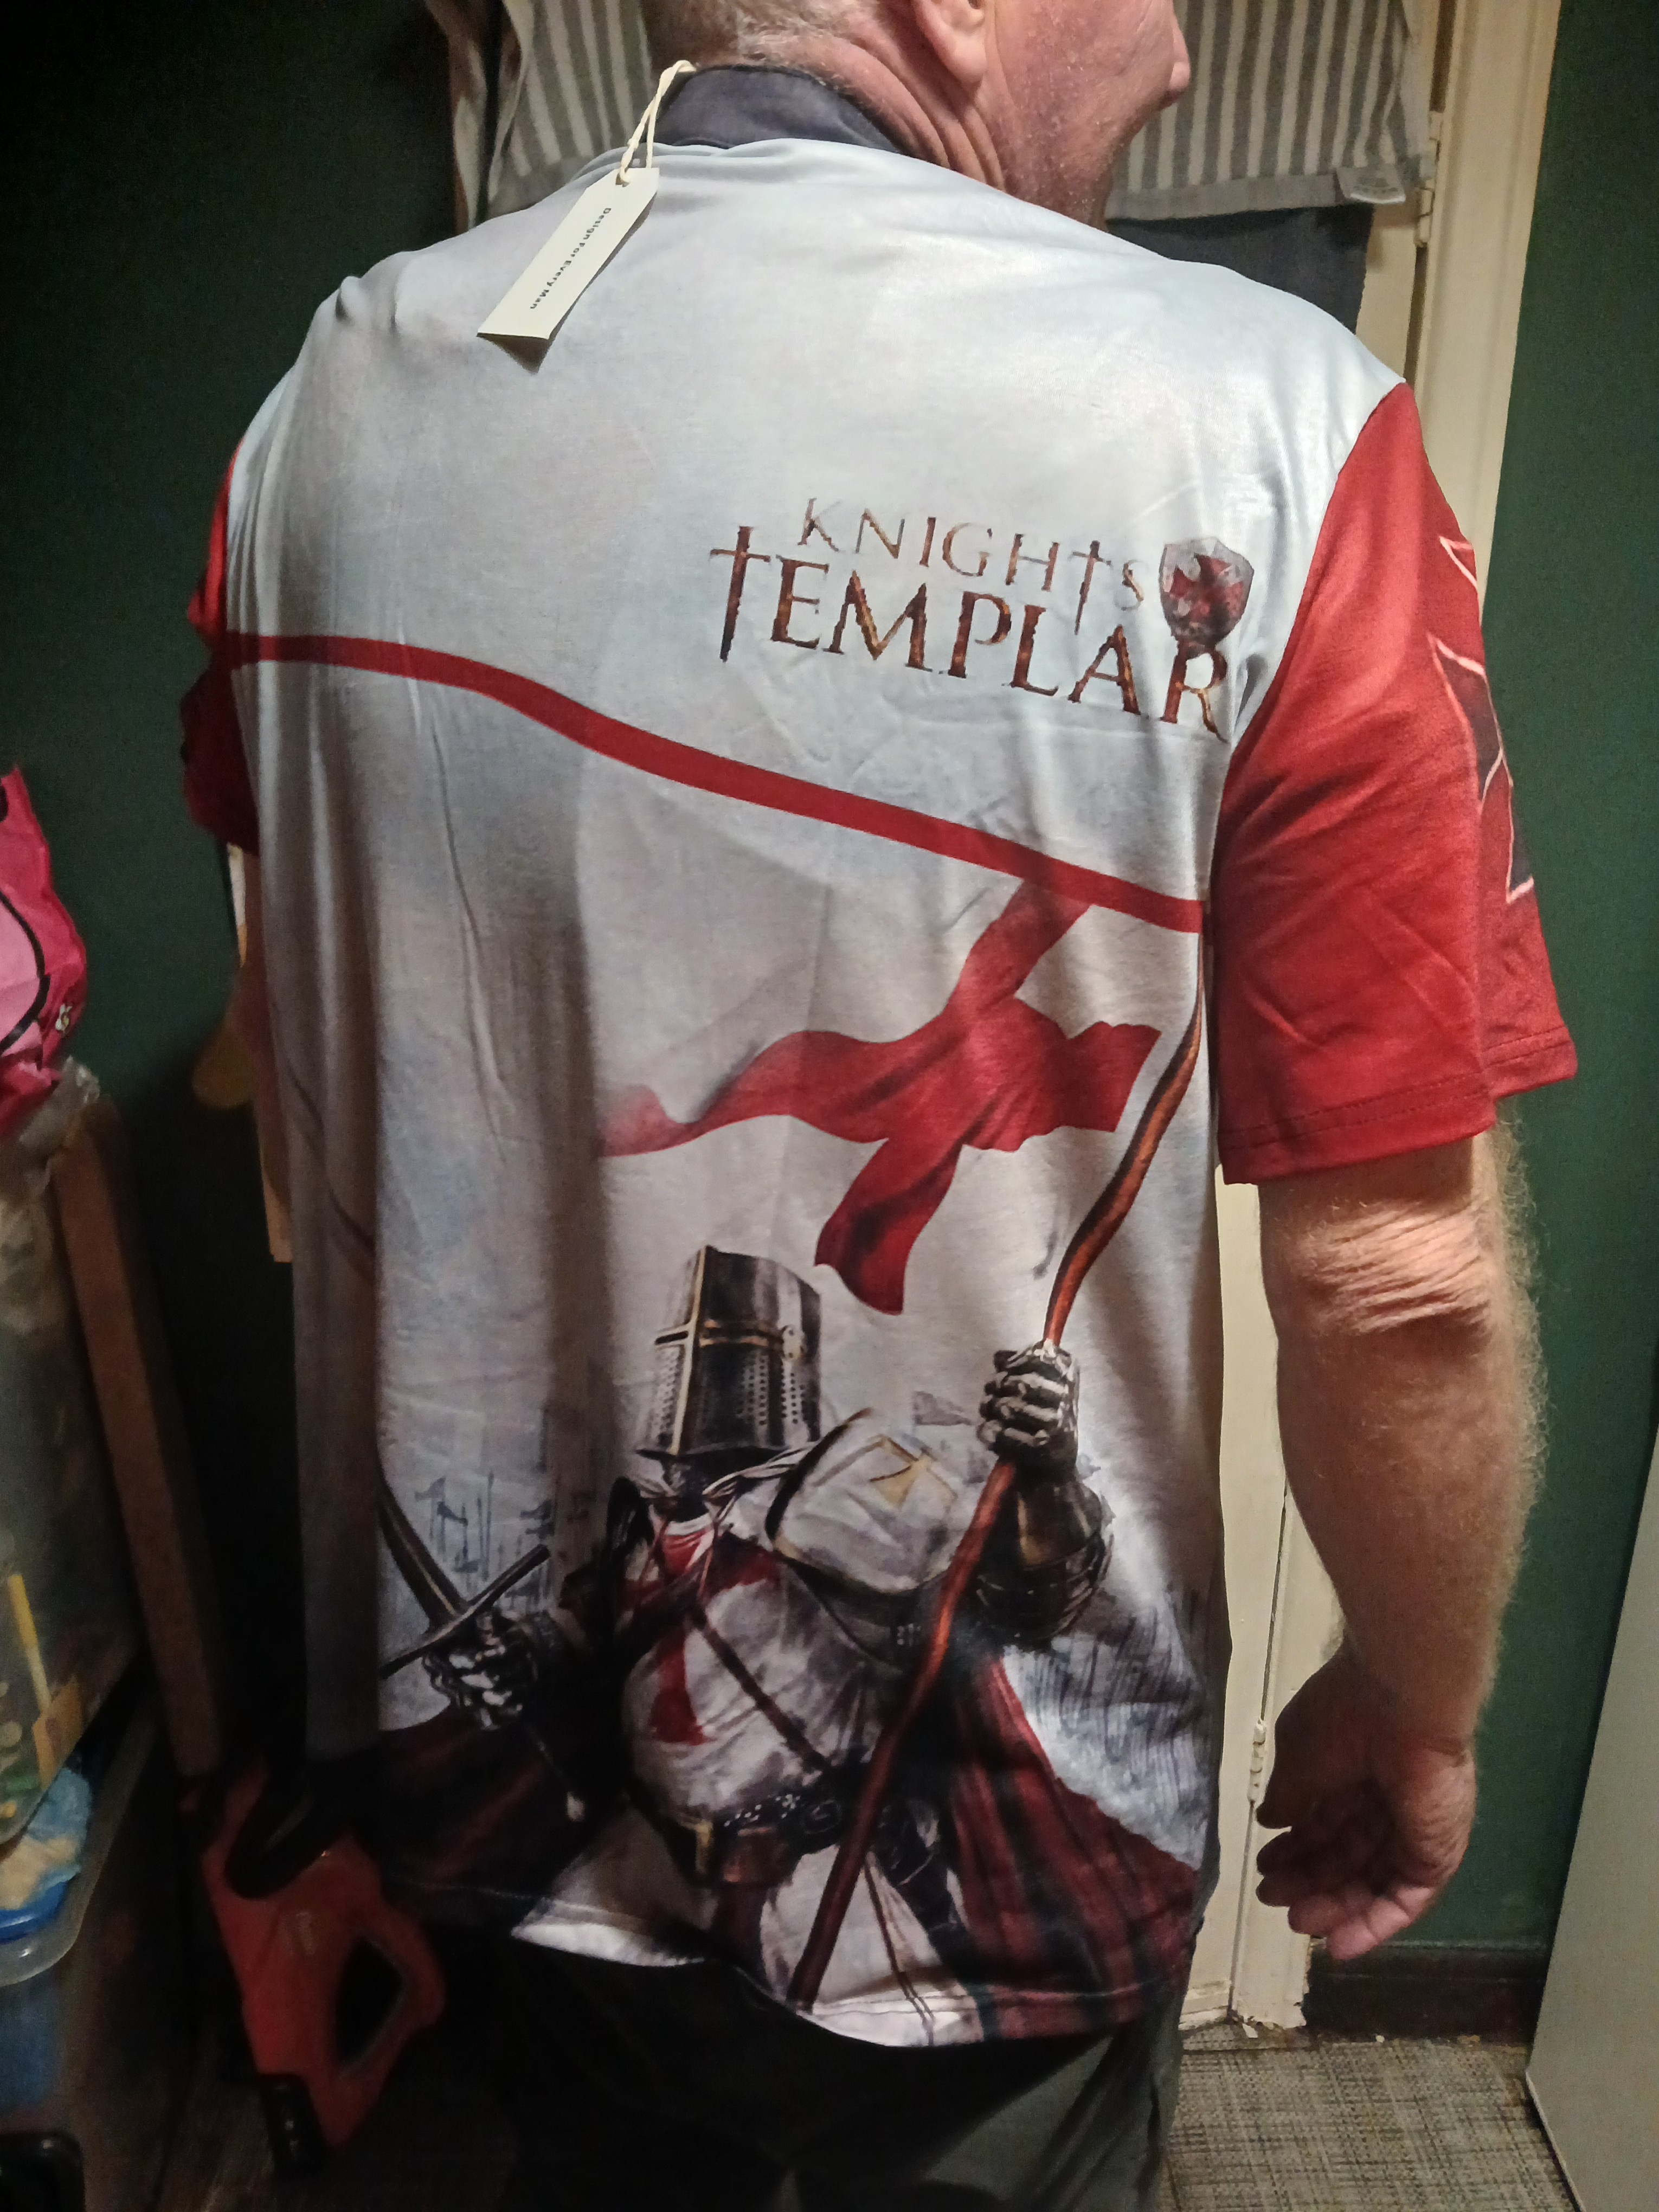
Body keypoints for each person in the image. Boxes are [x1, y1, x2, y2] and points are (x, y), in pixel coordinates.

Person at [180, 0, 1576, 2203]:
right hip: (924, 1953)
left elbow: (300, 1029)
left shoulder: (331, 400)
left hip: (508, 1843)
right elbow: (1397, 1281)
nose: (1183, 56)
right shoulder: (1279, 436)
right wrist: (1412, 1695)